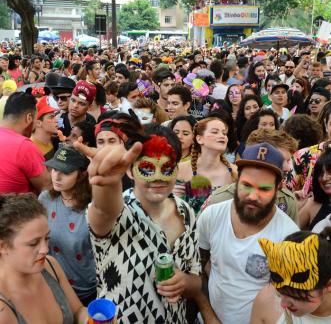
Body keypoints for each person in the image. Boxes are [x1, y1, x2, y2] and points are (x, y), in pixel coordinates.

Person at [74, 125, 201, 323]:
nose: (158, 177)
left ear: (177, 170)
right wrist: (107, 183)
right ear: (131, 171)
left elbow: (196, 280)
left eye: (167, 168)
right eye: (147, 168)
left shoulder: (187, 212)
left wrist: (184, 282)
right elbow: (103, 210)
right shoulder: (118, 213)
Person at [197, 142, 299, 324]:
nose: (253, 196)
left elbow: (287, 302)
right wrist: (209, 316)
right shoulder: (212, 215)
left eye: (264, 189)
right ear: (237, 181)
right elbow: (198, 268)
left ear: (279, 188)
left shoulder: (288, 237)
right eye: (247, 185)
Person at [0, 193, 88, 323]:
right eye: (33, 243)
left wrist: (90, 319)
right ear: (3, 246)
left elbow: (77, 311)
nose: (45, 249)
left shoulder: (50, 265)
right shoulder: (3, 311)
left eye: (47, 238)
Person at [39, 146, 97, 306]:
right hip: (52, 284)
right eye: (54, 169)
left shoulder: (92, 207)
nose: (57, 176)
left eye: (66, 172)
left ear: (81, 175)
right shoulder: (45, 199)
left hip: (87, 289)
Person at [204, 129, 299, 222]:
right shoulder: (219, 200)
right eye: (281, 160)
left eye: (288, 161)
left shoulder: (287, 201)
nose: (287, 168)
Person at [250, 229, 331, 323]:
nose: (283, 305)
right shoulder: (266, 301)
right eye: (280, 293)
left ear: (329, 285)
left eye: (296, 297)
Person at [176, 116, 237, 214]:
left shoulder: (235, 172)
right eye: (214, 132)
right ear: (199, 139)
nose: (222, 136)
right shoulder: (180, 169)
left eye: (224, 133)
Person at [0, 92, 50, 194]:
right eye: (36, 120)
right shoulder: (24, 146)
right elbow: (48, 188)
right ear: (29, 118)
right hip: (15, 209)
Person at [299, 147, 331, 230]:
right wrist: (295, 206)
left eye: (330, 172)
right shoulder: (312, 204)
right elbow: (289, 234)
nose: (324, 178)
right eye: (320, 173)